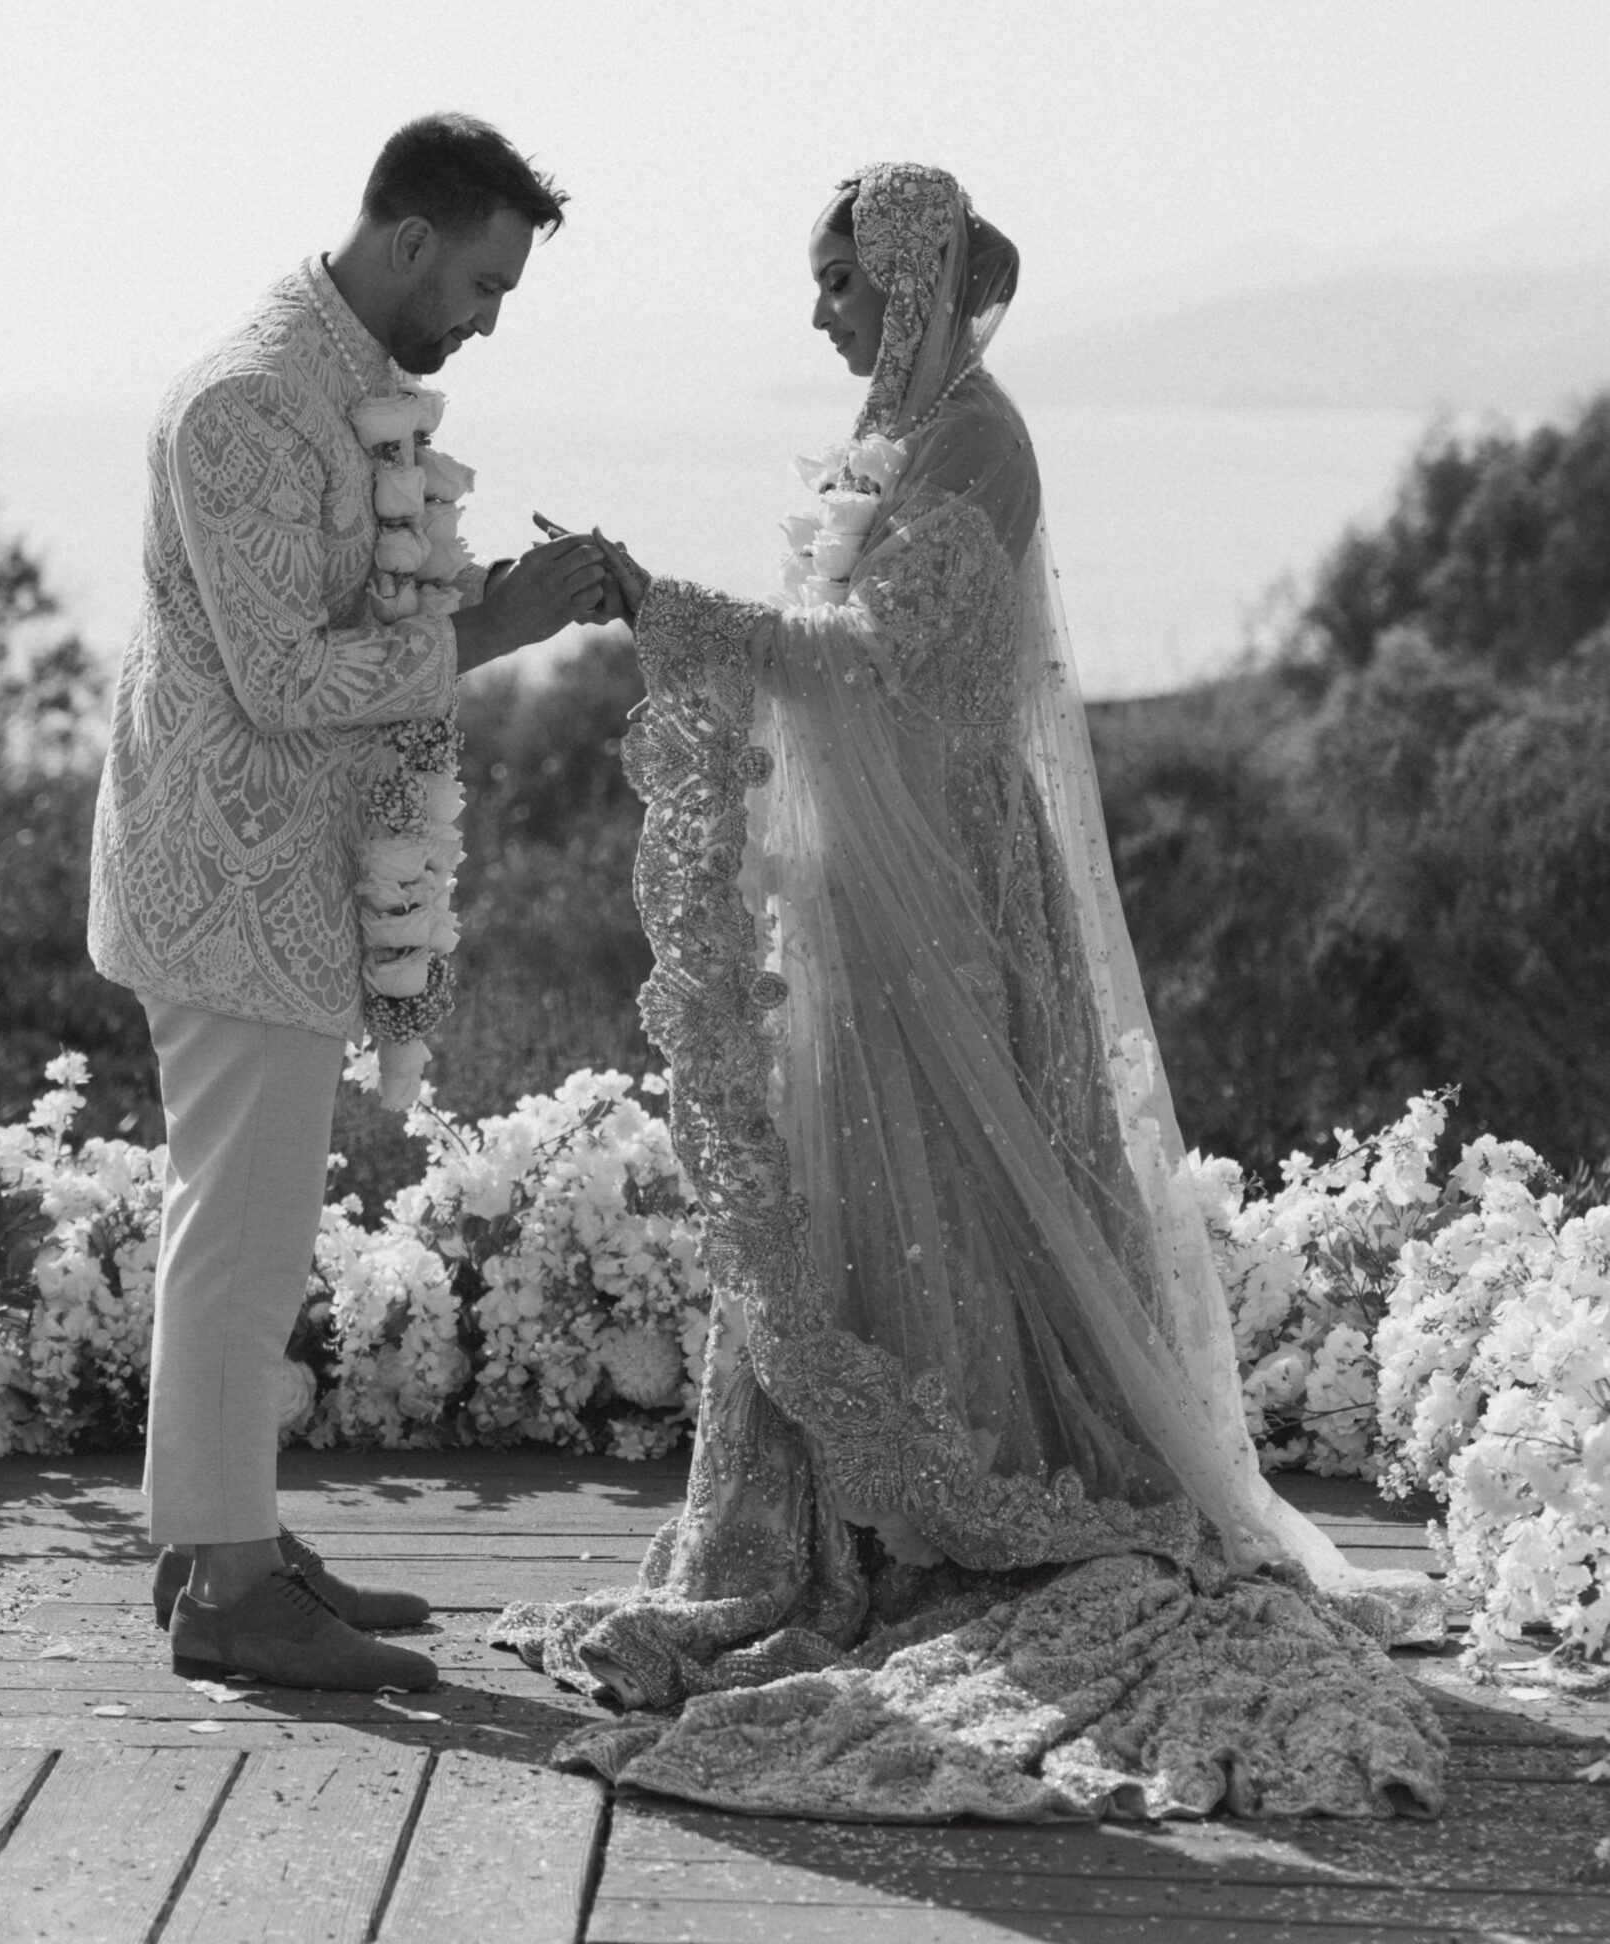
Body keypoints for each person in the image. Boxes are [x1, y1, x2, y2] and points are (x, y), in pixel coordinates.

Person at [496, 160, 1447, 1821]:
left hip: (948, 873)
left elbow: (874, 656)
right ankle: (840, 1514)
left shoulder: (979, 441)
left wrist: (668, 609)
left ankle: (971, 1484)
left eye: (843, 281)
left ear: (913, 280)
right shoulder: (909, 439)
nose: (822, 312)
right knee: (858, 1166)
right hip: (881, 866)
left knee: (957, 1162)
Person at [89, 112, 609, 1693]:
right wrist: (492, 628)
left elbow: (335, 616)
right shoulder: (254, 400)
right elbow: (279, 676)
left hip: (277, 880)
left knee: (242, 1229)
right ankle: (230, 1593)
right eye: (480, 281)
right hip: (229, 879)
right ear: (404, 242)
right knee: (237, 1242)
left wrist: (452, 596)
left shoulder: (344, 388)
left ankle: (218, 1544)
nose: (485, 321)